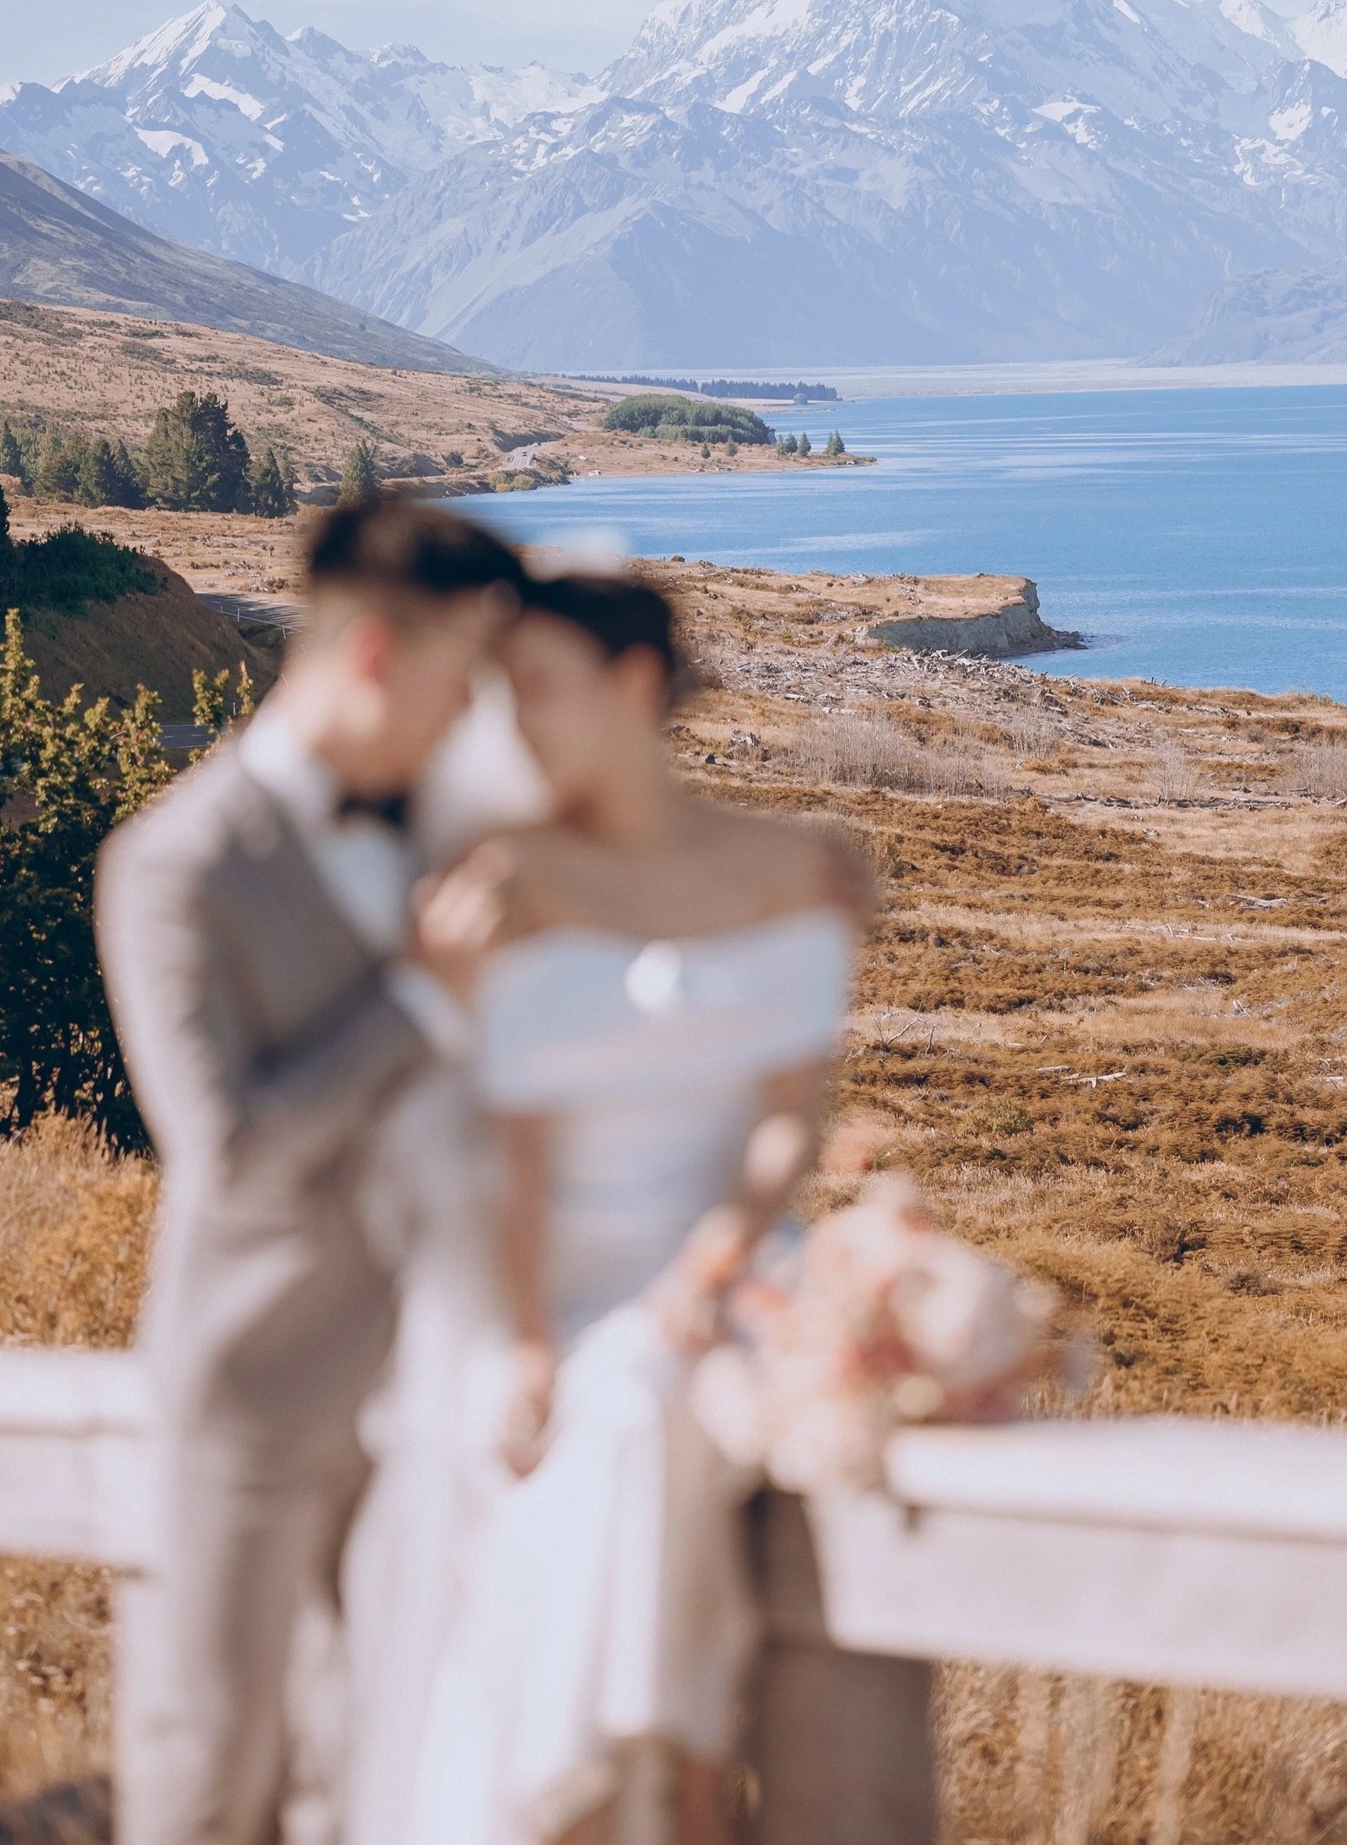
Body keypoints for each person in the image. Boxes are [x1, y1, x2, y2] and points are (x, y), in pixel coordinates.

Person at [345, 571, 875, 1845]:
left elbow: (787, 1114)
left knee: (644, 1395)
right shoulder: (501, 879)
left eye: (540, 690)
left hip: (726, 1264)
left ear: (636, 683)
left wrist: (713, 1256)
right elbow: (512, 1145)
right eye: (502, 697)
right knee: (583, 1411)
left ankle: (636, 1780)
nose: (516, 724)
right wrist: (529, 1337)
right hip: (551, 1276)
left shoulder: (784, 866)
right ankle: (640, 1781)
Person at [95, 496, 527, 1845]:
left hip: (435, 1401)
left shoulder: (443, 833)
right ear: (384, 658)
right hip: (256, 1400)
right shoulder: (176, 866)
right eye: (464, 677)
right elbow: (227, 1156)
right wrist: (418, 996)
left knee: (382, 1782)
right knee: (210, 1771)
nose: (472, 718)